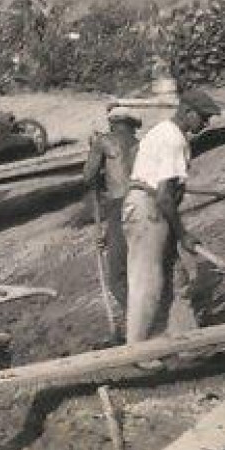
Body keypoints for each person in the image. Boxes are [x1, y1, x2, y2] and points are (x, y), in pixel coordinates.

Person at [122, 84, 222, 345]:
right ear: (187, 111)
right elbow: (165, 195)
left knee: (177, 275)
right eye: (203, 117)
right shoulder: (174, 139)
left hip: (146, 204)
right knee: (148, 281)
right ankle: (137, 349)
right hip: (149, 208)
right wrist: (183, 234)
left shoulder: (160, 131)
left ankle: (185, 340)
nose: (206, 123)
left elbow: (136, 156)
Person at [82, 107, 141, 314]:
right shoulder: (140, 144)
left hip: (120, 205)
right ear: (133, 126)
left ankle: (140, 321)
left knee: (117, 279)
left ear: (111, 124)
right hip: (144, 202)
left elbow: (88, 176)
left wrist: (94, 151)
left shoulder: (104, 141)